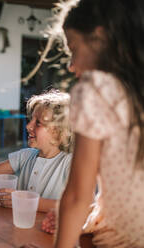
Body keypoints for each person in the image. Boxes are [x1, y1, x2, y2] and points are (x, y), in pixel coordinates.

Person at [45, 0, 144, 247]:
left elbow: (78, 195)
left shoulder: (97, 90)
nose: (71, 65)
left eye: (73, 49)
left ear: (99, 38)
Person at [0, 90, 73, 212]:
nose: (28, 126)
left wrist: (26, 201)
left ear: (59, 131)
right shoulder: (25, 156)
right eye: (31, 119)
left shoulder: (70, 164)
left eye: (38, 123)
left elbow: (78, 206)